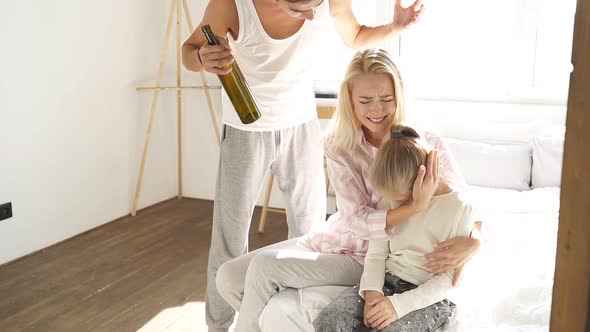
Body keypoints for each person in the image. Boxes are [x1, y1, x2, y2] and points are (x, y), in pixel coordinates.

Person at [182, 0, 426, 330]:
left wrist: (394, 29)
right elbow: (189, 50)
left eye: (316, 4)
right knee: (229, 240)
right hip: (246, 129)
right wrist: (200, 58)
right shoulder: (232, 5)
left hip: (301, 124)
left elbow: (353, 36)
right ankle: (218, 327)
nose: (314, 15)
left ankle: (288, 320)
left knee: (309, 232)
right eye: (302, 8)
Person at [215, 49, 482, 332]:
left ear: (398, 96)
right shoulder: (339, 145)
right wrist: (413, 207)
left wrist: (475, 242)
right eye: (365, 101)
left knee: (266, 267)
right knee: (228, 277)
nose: (376, 110)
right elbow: (354, 219)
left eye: (386, 100)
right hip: (335, 238)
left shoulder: (424, 141)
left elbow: (461, 202)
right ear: (350, 101)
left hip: (371, 255)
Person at [313, 124, 475, 332]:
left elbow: (448, 280)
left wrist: (397, 306)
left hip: (428, 297)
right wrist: (372, 294)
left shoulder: (460, 208)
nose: (396, 206)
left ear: (422, 178)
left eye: (401, 200)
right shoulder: (391, 197)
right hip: (387, 281)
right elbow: (376, 253)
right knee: (330, 320)